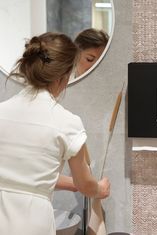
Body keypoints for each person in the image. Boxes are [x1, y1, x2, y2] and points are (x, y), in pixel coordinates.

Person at [0, 32, 110, 235]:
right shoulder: (67, 122)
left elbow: (28, 174)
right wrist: (99, 189)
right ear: (65, 75)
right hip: (31, 222)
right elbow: (85, 185)